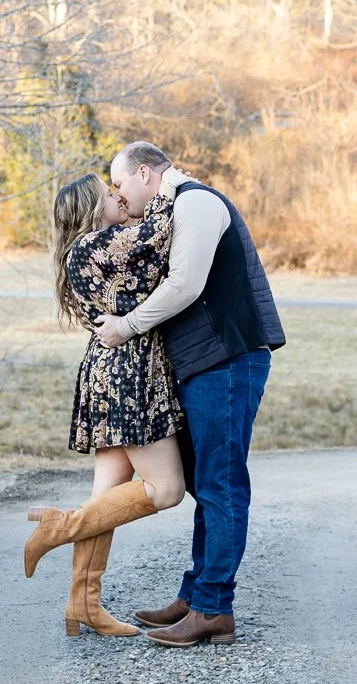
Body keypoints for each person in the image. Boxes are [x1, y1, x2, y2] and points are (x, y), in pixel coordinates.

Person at [93, 141, 285, 648]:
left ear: (143, 173)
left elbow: (185, 284)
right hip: (206, 361)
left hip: (228, 357)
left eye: (119, 184)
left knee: (221, 482)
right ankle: (196, 594)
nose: (118, 195)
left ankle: (214, 609)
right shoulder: (170, 210)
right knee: (206, 479)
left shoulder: (196, 203)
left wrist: (127, 326)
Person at [24, 163, 190, 637]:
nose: (119, 194)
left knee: (107, 497)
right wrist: (170, 183)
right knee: (166, 490)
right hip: (126, 375)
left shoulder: (96, 250)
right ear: (90, 211)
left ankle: (83, 604)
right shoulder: (94, 246)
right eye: (108, 192)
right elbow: (156, 234)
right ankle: (62, 526)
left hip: (117, 371)